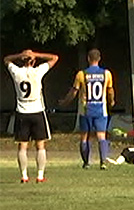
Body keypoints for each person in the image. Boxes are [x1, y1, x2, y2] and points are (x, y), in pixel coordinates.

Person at [4, 49, 59, 183]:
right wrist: (37, 54)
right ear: (33, 61)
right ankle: (40, 175)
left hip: (22, 112)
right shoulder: (37, 71)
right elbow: (54, 58)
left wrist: (19, 55)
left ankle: (24, 175)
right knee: (40, 145)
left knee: (22, 146)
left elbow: (6, 60)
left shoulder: (16, 72)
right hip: (37, 111)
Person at [59, 48, 115, 169]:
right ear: (99, 59)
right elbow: (110, 91)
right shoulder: (107, 73)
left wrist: (65, 102)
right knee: (101, 136)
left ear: (88, 59)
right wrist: (111, 101)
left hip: (86, 110)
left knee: (84, 137)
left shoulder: (81, 74)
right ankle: (103, 162)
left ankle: (86, 163)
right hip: (101, 109)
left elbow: (74, 92)